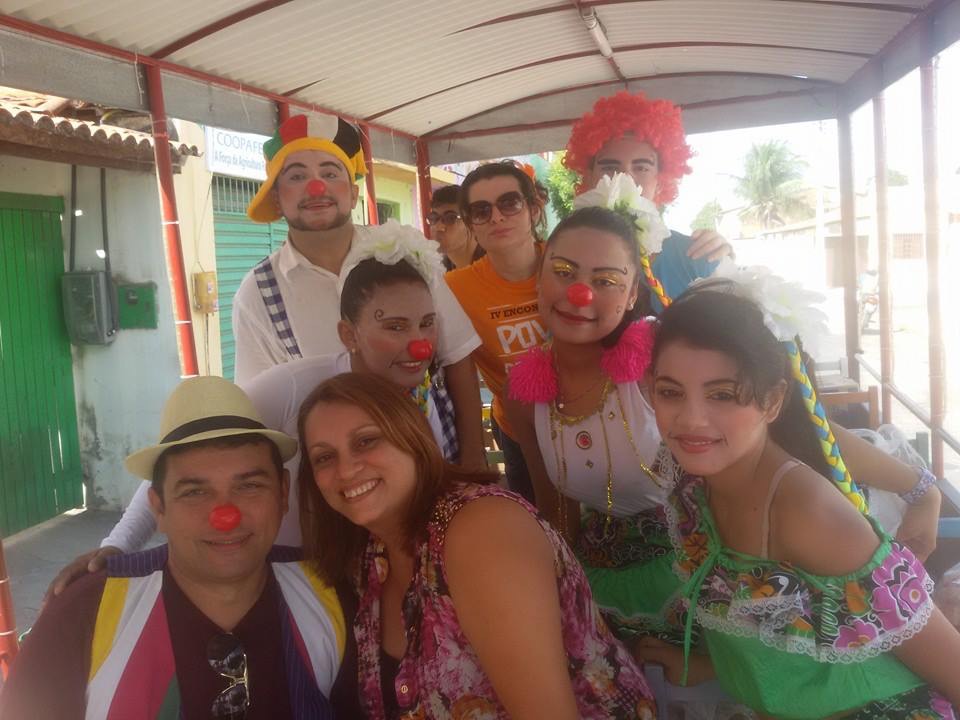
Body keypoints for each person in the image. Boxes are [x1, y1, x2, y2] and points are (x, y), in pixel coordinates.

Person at [505, 193, 942, 663]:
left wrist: (919, 488)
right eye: (563, 271)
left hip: (699, 571)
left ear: (632, 293)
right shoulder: (525, 391)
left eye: (606, 280)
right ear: (539, 276)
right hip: (602, 575)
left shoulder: (665, 362)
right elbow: (556, 509)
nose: (580, 294)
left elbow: (797, 429)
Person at [46, 227, 459, 594]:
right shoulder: (293, 386)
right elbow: (185, 451)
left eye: (427, 323)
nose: (420, 343)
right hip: (286, 581)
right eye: (395, 326)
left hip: (373, 583)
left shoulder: (423, 398)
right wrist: (118, 545)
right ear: (348, 334)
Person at [647, 282, 960, 717]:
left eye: (722, 395)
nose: (691, 419)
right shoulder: (690, 478)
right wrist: (707, 665)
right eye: (670, 392)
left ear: (773, 401)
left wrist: (924, 494)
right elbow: (768, 632)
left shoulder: (809, 514)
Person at [297, 372, 657, 720]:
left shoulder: (480, 530)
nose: (346, 470)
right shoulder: (368, 561)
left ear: (410, 436)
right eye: (324, 457)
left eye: (365, 441)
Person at [0, 376, 355, 719]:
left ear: (282, 493)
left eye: (249, 486)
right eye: (195, 492)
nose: (225, 516)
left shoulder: (329, 594)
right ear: (158, 508)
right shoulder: (84, 611)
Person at [234, 113, 485, 468]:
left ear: (353, 194)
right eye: (297, 176)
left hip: (433, 458)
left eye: (330, 173)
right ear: (276, 198)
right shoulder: (258, 293)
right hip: (340, 478)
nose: (316, 187)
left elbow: (457, 355)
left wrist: (474, 460)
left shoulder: (405, 252)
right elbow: (260, 413)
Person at [564, 90, 732, 310]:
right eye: (609, 167)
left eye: (641, 168)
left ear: (661, 182)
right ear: (589, 178)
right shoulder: (563, 258)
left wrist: (726, 262)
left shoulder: (697, 258)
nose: (626, 178)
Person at [428, 184, 484, 271]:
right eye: (434, 218)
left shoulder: (496, 265)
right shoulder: (441, 271)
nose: (438, 227)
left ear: (472, 222)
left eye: (450, 218)